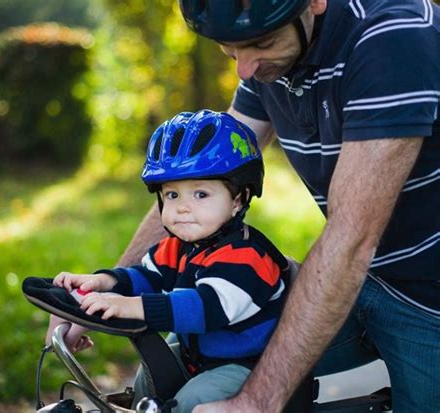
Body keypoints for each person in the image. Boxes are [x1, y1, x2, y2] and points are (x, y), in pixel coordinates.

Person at [46, 0, 439, 411]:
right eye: (229, 51)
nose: (244, 70)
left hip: (428, 292)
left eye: (261, 44)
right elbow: (203, 171)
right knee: (185, 370)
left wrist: (258, 402)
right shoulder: (269, 53)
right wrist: (103, 289)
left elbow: (352, 236)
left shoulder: (393, 35)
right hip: (357, 274)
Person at [49, 110, 292, 413]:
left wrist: (134, 306)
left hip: (247, 363)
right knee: (146, 380)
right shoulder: (179, 247)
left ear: (239, 199)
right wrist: (102, 282)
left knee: (191, 402)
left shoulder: (248, 257)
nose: (183, 208)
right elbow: (145, 276)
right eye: (173, 194)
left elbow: (205, 308)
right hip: (201, 355)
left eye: (201, 194)